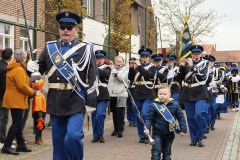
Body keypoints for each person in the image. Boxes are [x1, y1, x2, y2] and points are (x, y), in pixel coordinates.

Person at [27, 12, 99, 160]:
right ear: (59, 29)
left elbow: (93, 76)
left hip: (76, 100)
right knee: (58, 145)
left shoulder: (86, 48)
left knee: (72, 137)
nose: (65, 30)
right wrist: (30, 67)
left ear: (76, 30)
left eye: (69, 27)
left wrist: (91, 101)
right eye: (62, 27)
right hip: (56, 101)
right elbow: (38, 71)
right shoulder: (50, 47)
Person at [1, 50, 35, 155]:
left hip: (14, 98)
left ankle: (21, 145)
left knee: (18, 122)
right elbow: (22, 86)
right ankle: (7, 146)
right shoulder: (18, 69)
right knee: (17, 123)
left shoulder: (13, 68)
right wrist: (33, 92)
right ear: (23, 59)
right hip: (17, 99)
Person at [144, 83, 187, 160]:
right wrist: (147, 128)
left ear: (169, 94)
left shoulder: (175, 104)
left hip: (169, 133)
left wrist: (183, 129)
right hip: (157, 133)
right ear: (157, 94)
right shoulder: (153, 105)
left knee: (167, 153)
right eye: (160, 94)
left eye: (164, 94)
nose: (162, 96)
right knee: (156, 152)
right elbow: (149, 118)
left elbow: (181, 117)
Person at [179, 45, 210, 147]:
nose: (196, 55)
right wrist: (182, 67)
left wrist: (192, 66)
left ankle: (200, 137)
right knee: (190, 117)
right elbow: (179, 78)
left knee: (198, 115)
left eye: (198, 54)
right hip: (188, 92)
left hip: (200, 92)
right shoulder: (187, 63)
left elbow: (203, 76)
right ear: (191, 54)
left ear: (201, 54)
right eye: (194, 54)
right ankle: (193, 138)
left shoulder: (205, 63)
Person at [128, 48, 157, 144]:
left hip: (148, 94)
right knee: (138, 115)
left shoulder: (152, 67)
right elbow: (131, 78)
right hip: (137, 93)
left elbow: (148, 75)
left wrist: (139, 66)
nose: (144, 58)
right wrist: (131, 67)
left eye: (146, 57)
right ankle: (142, 136)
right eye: (143, 57)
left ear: (149, 58)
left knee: (145, 114)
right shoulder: (137, 67)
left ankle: (147, 133)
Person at [91, 50, 111, 143]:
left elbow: (105, 75)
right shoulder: (90, 68)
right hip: (93, 93)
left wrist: (95, 67)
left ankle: (101, 134)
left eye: (101, 59)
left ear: (104, 60)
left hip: (103, 94)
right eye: (97, 59)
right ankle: (95, 135)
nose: (99, 60)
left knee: (99, 114)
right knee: (94, 115)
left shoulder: (107, 67)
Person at [108, 56, 128, 137]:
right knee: (114, 112)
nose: (118, 63)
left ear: (123, 62)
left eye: (120, 62)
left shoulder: (125, 70)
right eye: (117, 62)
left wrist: (114, 70)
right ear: (114, 62)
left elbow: (121, 79)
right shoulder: (111, 69)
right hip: (112, 94)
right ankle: (115, 129)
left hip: (121, 93)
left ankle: (120, 129)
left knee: (119, 112)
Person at [0, 48, 13, 149]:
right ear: (10, 57)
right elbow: (5, 85)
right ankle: (2, 139)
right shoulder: (6, 68)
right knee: (4, 118)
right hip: (2, 96)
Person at [32, 79, 46, 145]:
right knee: (39, 127)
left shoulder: (40, 94)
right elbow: (38, 106)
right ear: (40, 87)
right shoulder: (39, 96)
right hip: (39, 114)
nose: (44, 87)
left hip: (41, 113)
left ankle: (40, 139)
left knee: (41, 127)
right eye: (43, 86)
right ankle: (37, 140)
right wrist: (40, 115)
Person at [127, 57, 137, 126]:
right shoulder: (128, 69)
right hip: (129, 89)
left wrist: (134, 68)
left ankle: (135, 120)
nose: (132, 64)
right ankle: (130, 121)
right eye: (131, 62)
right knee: (129, 106)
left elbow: (134, 77)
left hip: (135, 89)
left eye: (133, 62)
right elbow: (129, 77)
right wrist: (131, 68)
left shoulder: (137, 69)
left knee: (134, 106)